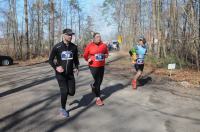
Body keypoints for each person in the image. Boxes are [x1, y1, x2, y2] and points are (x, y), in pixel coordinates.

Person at [49, 28, 79, 117]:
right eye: (68, 35)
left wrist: (76, 67)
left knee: (72, 92)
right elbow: (50, 60)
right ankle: (63, 108)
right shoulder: (57, 47)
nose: (70, 36)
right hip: (60, 74)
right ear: (63, 35)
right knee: (64, 91)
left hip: (70, 74)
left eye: (71, 35)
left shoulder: (74, 47)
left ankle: (66, 96)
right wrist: (56, 67)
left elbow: (76, 60)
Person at [83, 32, 109, 106]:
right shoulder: (90, 46)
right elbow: (85, 55)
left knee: (100, 81)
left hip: (101, 65)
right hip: (93, 65)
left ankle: (94, 86)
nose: (99, 38)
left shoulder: (103, 45)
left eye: (100, 37)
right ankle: (98, 98)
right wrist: (88, 59)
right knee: (98, 81)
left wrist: (106, 55)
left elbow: (106, 53)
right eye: (97, 37)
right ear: (94, 38)